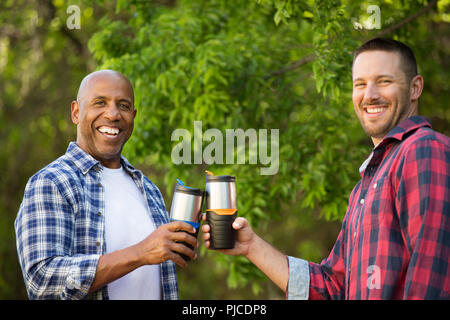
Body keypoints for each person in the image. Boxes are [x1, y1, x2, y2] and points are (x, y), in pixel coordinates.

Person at [202, 38, 450, 299]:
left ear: (415, 88)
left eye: (384, 81)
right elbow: (332, 287)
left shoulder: (424, 149)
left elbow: (434, 273)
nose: (370, 95)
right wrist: (251, 246)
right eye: (360, 84)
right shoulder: (366, 185)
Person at [15, 70, 198, 300]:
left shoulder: (148, 189)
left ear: (133, 116)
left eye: (123, 105)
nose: (112, 114)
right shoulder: (52, 183)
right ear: (76, 112)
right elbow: (42, 282)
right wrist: (141, 252)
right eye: (100, 102)